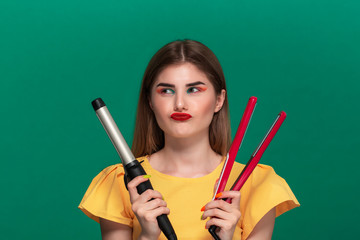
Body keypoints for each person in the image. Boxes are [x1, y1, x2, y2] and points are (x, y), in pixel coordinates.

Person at [79, 40, 299, 240]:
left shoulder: (256, 184)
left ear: (219, 100)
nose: (180, 104)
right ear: (150, 101)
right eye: (166, 90)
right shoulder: (121, 183)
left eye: (194, 89)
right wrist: (147, 236)